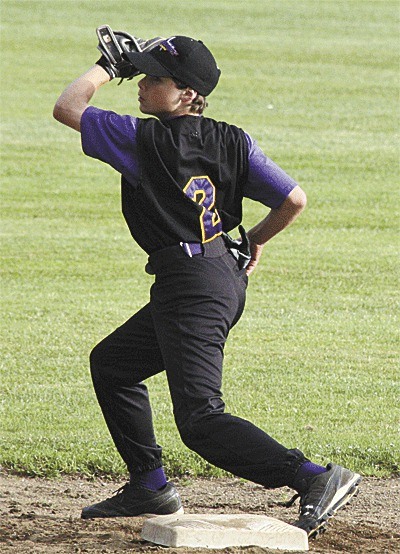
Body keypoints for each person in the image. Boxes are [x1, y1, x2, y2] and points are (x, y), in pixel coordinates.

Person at [53, 33, 361, 537]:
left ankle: (315, 478)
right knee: (113, 365)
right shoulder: (235, 140)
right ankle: (150, 484)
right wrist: (254, 240)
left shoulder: (142, 140)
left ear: (187, 92)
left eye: (154, 77)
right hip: (217, 275)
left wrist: (106, 66)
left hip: (192, 288)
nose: (142, 83)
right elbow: (295, 199)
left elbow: (68, 106)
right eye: (141, 74)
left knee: (199, 419)